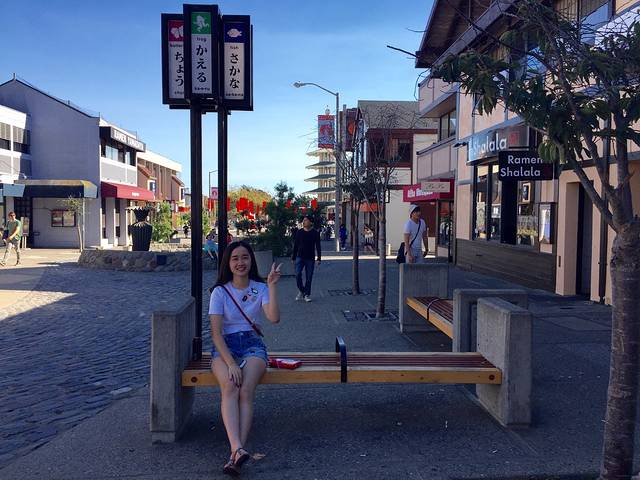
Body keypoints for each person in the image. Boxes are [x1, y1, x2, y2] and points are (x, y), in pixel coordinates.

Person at [208, 241, 281, 476]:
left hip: (252, 345)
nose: (241, 262)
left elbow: (274, 318)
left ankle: (236, 453)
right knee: (230, 385)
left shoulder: (260, 288)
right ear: (228, 263)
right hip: (225, 347)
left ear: (251, 260)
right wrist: (230, 363)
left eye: (245, 257)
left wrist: (271, 286)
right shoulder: (219, 292)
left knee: (246, 389)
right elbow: (216, 334)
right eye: (235, 258)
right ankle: (237, 449)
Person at [291, 215, 321, 302]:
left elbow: (318, 246)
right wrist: (293, 257)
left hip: (310, 258)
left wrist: (319, 258)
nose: (304, 222)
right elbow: (296, 245)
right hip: (299, 257)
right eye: (303, 220)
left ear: (310, 222)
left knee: (309, 277)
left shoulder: (315, 233)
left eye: (306, 220)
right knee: (297, 274)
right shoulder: (299, 232)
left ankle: (306, 295)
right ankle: (302, 290)